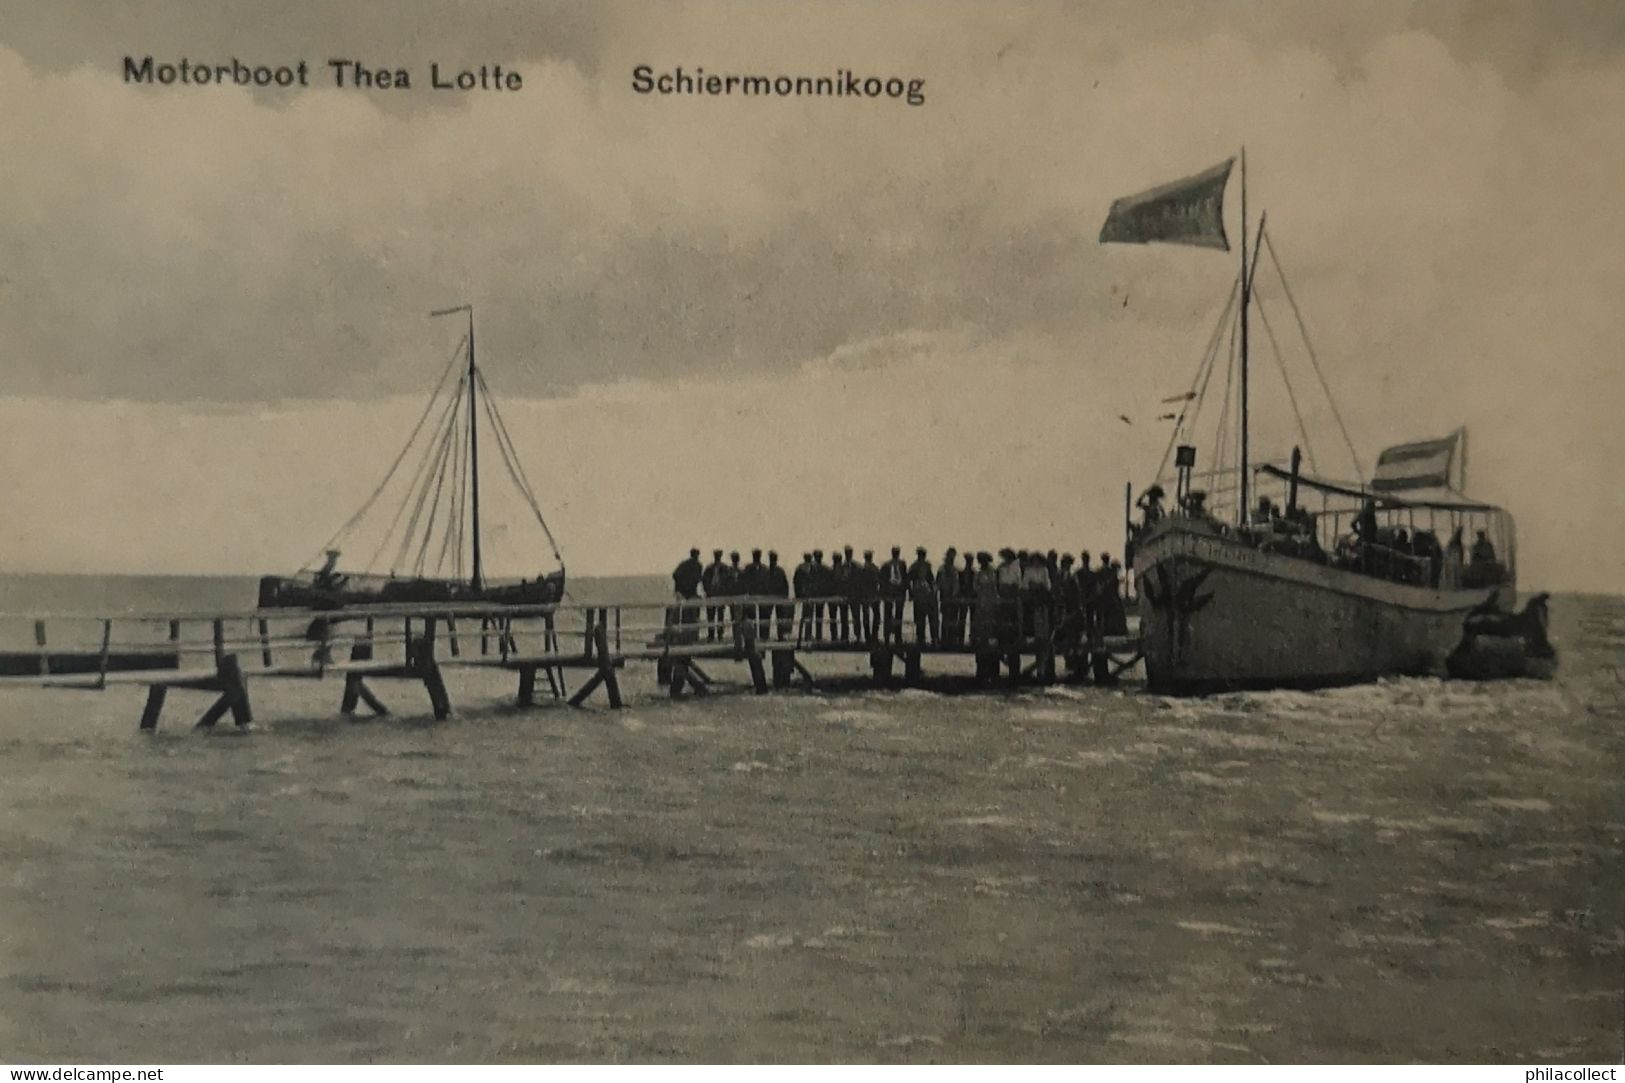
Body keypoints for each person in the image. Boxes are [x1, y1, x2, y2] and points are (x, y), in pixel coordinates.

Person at [671, 547, 705, 645]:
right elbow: (698, 579)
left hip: (685, 592)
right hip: (688, 592)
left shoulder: (684, 564)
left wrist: (681, 585)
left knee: (685, 614)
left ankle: (686, 635)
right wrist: (687, 584)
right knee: (692, 614)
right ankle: (691, 636)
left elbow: (675, 575)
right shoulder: (697, 565)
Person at [908, 546, 939, 645]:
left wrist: (911, 593)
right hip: (923, 594)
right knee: (926, 617)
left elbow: (909, 581)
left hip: (922, 594)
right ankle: (931, 637)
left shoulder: (915, 566)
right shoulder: (922, 566)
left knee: (922, 618)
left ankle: (923, 638)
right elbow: (931, 580)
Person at [879, 546, 908, 643]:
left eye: (897, 552)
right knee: (887, 615)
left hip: (899, 593)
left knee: (899, 616)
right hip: (889, 592)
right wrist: (882, 593)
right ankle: (887, 637)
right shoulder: (886, 565)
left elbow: (905, 579)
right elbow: (882, 580)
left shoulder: (902, 564)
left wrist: (905, 592)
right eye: (895, 552)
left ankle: (898, 637)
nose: (896, 554)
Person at [701, 549, 727, 642]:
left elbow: (727, 582)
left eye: (718, 556)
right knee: (711, 616)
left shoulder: (724, 568)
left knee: (720, 616)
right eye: (716, 556)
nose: (717, 558)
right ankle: (711, 634)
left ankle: (720, 634)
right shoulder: (709, 568)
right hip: (711, 595)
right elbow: (704, 580)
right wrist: (708, 590)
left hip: (720, 595)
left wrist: (724, 592)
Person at [936, 548, 960, 647]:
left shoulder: (955, 570)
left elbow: (957, 584)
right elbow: (938, 583)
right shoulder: (942, 570)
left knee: (953, 619)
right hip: (945, 596)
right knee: (946, 619)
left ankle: (952, 639)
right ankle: (945, 639)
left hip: (953, 597)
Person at [858, 550, 882, 644]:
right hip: (872, 595)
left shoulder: (862, 568)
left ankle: (868, 636)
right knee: (876, 616)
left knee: (867, 616)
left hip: (866, 596)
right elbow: (878, 581)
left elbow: (860, 583)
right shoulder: (874, 568)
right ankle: (873, 636)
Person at [767, 551, 792, 640]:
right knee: (767, 617)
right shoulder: (766, 571)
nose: (772, 561)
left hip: (779, 598)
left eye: (773, 560)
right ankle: (765, 635)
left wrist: (784, 597)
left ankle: (781, 636)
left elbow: (785, 585)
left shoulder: (780, 571)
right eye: (771, 559)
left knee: (780, 617)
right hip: (769, 598)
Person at [829, 552, 850, 642]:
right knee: (844, 617)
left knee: (833, 618)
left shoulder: (830, 570)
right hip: (842, 596)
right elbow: (846, 582)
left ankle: (834, 636)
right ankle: (844, 637)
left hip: (833, 596)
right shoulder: (844, 570)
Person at [794, 552, 815, 641]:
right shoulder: (810, 568)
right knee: (808, 616)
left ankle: (805, 635)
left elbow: (796, 582)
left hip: (806, 595)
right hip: (807, 595)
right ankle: (807, 635)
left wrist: (798, 594)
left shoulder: (800, 568)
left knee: (806, 616)